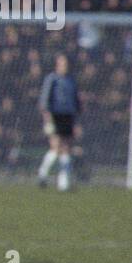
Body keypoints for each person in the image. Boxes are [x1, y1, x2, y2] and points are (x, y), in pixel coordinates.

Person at [37, 53, 80, 191]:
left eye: (66, 64)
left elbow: (75, 100)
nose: (64, 66)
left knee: (66, 148)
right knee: (56, 146)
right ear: (57, 65)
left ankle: (63, 182)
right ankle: (42, 174)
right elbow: (44, 99)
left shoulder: (71, 80)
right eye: (62, 64)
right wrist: (47, 116)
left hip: (68, 116)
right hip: (55, 115)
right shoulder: (52, 79)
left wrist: (76, 118)